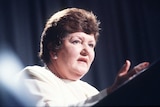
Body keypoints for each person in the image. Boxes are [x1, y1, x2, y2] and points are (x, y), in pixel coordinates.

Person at [15, 7, 149, 106]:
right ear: (53, 49)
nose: (86, 51)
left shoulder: (89, 91)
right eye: (76, 41)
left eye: (91, 45)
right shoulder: (33, 75)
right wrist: (111, 92)